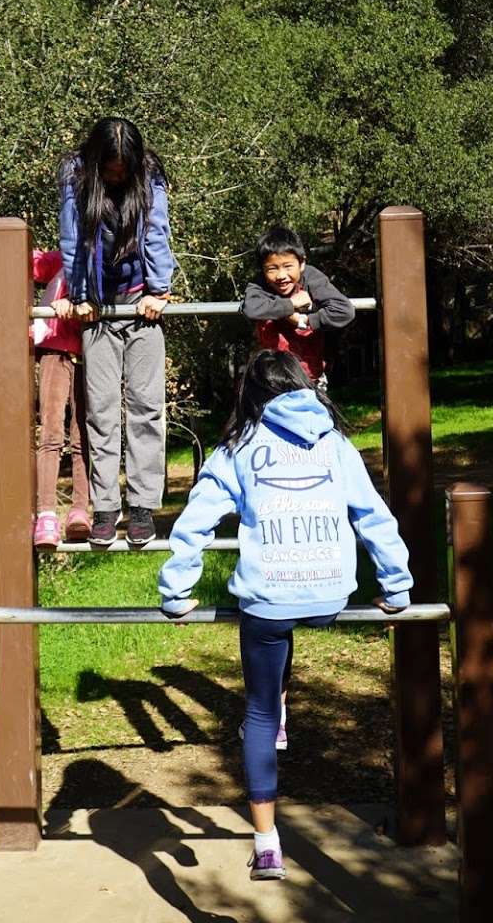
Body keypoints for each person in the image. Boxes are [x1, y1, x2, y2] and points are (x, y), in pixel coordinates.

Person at [157, 350, 412, 881]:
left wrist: (176, 591)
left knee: (257, 708)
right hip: (328, 597)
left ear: (248, 395)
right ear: (302, 386)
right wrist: (397, 586)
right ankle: (279, 704)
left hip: (271, 601)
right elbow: (373, 516)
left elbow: (195, 521)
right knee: (284, 633)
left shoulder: (236, 448)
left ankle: (267, 842)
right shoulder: (336, 444)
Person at [54, 117, 175, 549]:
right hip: (99, 308)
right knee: (100, 413)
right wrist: (82, 294)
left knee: (147, 407)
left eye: (125, 167)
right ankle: (106, 508)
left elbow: (156, 232)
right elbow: (73, 238)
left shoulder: (150, 174)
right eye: (111, 167)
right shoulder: (76, 174)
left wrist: (160, 290)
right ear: (96, 160)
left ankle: (142, 506)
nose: (118, 174)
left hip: (143, 302)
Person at [0, 238, 91, 549]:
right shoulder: (65, 256)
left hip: (93, 354)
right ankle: (47, 514)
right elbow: (28, 262)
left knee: (84, 438)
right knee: (51, 434)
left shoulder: (108, 259)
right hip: (54, 351)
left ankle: (81, 510)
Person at [241, 225, 354, 387]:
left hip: (309, 376)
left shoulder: (311, 277)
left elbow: (344, 310)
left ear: (301, 263)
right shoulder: (260, 283)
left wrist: (304, 321)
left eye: (288, 266)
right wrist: (291, 304)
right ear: (263, 270)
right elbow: (251, 308)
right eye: (272, 269)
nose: (281, 276)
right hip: (271, 377)